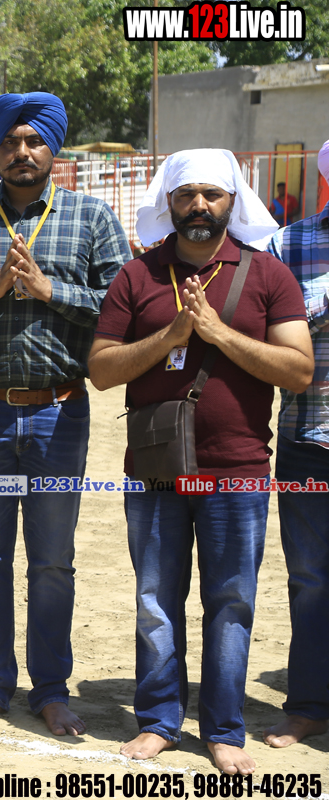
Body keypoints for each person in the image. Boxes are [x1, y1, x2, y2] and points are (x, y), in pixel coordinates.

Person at [88, 148, 313, 774]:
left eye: (212, 194)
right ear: (169, 201)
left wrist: (215, 332)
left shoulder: (267, 274)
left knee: (232, 602)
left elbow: (298, 369)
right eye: (187, 195)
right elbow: (101, 369)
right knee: (156, 600)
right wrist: (171, 336)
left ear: (232, 201)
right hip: (155, 470)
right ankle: (159, 721)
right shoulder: (138, 276)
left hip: (237, 471)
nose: (199, 206)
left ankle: (222, 728)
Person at [0, 91, 133, 737]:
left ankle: (50, 688)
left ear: (53, 149)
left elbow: (125, 307)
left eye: (34, 141)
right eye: (11, 142)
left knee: (52, 561)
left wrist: (49, 289)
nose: (22, 152)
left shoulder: (91, 218)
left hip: (58, 413)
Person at [260, 139, 329, 751]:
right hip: (310, 438)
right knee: (311, 579)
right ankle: (308, 705)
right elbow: (264, 330)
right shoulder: (289, 244)